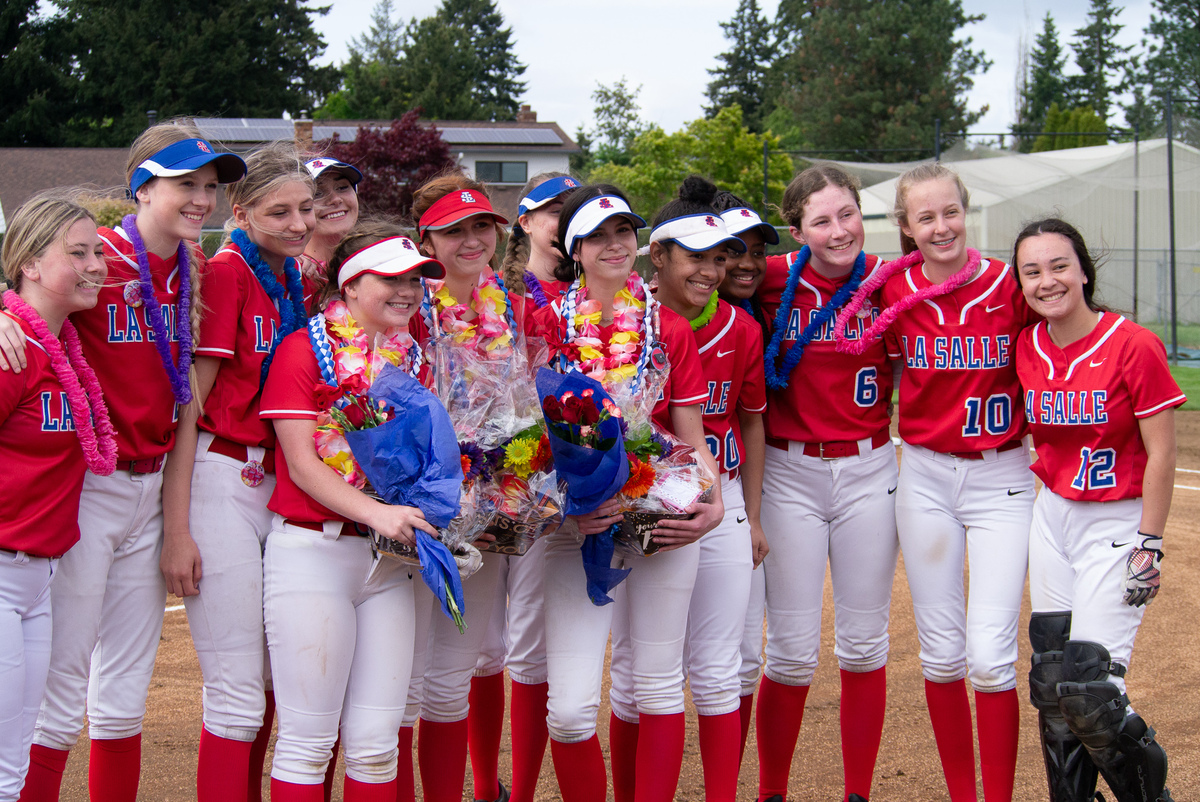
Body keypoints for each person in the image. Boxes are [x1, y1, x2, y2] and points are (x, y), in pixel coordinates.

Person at [4, 123, 246, 802]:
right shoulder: (95, 256)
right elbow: (30, 290)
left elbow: (184, 407)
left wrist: (175, 529)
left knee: (123, 693)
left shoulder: (195, 269)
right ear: (141, 187)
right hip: (86, 488)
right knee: (58, 688)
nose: (201, 200)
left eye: (209, 187)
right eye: (184, 185)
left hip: (151, 490)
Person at [834, 162, 1036, 802]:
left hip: (1001, 477)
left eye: (951, 212)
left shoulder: (1010, 285)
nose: (942, 226)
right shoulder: (890, 290)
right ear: (905, 227)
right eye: (926, 217)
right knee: (943, 654)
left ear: (965, 211)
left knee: (990, 658)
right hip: (922, 476)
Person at [529, 183, 724, 802]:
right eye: (598, 236)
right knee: (569, 711)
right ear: (574, 249)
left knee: (659, 685)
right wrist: (572, 501)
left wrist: (713, 500)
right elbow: (524, 437)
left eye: (624, 233)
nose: (615, 245)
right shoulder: (542, 321)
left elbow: (690, 435)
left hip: (657, 517)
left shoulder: (669, 326)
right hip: (573, 527)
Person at [258, 220, 445, 801]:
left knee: (375, 741)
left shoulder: (416, 360)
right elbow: (302, 464)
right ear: (349, 287)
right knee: (308, 741)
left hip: (389, 563)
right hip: (314, 551)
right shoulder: (303, 349)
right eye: (392, 278)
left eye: (416, 278)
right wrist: (377, 512)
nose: (408, 290)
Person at [160, 142, 315, 802]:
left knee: (277, 681)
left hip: (275, 482)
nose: (299, 224)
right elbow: (190, 405)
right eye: (279, 211)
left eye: (306, 209)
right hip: (221, 476)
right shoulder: (228, 273)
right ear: (241, 210)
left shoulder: (289, 279)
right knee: (235, 693)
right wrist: (177, 528)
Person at [606, 176, 765, 802]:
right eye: (696, 256)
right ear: (659, 256)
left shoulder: (742, 329)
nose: (711, 269)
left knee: (721, 671)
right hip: (640, 504)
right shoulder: (622, 318)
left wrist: (749, 516)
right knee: (636, 675)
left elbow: (750, 421)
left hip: (713, 497)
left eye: (721, 256)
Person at [1012, 218, 1180, 802]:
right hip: (1053, 515)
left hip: (1117, 520)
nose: (1047, 281)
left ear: (1084, 270)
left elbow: (1162, 451)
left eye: (1059, 266)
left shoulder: (1132, 343)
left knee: (1090, 691)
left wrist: (1150, 544)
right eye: (1031, 271)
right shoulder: (1026, 344)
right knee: (1052, 681)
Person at [751, 164, 898, 802]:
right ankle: (772, 792)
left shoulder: (894, 280)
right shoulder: (768, 278)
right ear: (796, 230)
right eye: (821, 221)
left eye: (848, 214)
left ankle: (858, 793)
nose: (839, 231)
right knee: (789, 652)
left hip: (870, 469)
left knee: (864, 646)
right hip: (789, 473)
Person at [404, 173, 523, 802]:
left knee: (453, 677)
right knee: (401, 686)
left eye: (482, 226)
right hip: (413, 508)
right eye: (455, 230)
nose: (473, 240)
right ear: (427, 238)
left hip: (489, 509)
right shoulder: (405, 302)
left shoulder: (508, 304)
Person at [0, 191, 114, 802]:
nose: (97, 264)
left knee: (14, 756)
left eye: (98, 250)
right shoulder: (10, 346)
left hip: (35, 581)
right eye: (78, 252)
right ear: (29, 263)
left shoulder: (62, 343)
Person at [474, 170, 580, 802]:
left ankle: (522, 788)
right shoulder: (498, 289)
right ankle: (487, 785)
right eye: (554, 213)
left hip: (559, 482)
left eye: (576, 215)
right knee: (484, 642)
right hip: (491, 477)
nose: (565, 226)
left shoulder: (602, 289)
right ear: (527, 222)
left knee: (531, 638)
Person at [710, 192, 774, 754]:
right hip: (677, 491)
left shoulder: (758, 314)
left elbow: (751, 423)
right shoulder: (659, 316)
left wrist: (750, 517)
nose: (745, 264)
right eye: (732, 251)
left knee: (743, 653)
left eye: (757, 252)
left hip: (740, 488)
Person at [500, 172, 579, 312]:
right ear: (526, 223)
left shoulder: (603, 286)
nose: (570, 221)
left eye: (577, 211)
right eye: (557, 211)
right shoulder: (496, 292)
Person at [298, 156, 362, 303]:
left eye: (342, 187)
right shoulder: (288, 272)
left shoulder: (379, 263)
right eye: (318, 193)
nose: (335, 199)